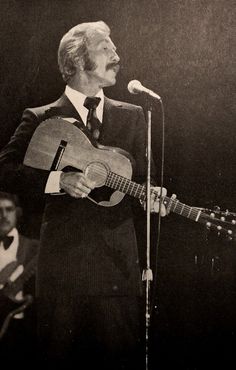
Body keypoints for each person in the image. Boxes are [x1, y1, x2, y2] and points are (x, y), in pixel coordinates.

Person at [0, 21, 167, 368]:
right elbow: (5, 170)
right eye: (105, 47)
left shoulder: (134, 116)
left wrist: (150, 196)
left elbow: (139, 186)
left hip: (117, 271)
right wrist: (56, 181)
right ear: (76, 60)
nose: (116, 55)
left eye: (114, 48)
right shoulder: (42, 118)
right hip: (63, 274)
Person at [0, 191, 39, 360]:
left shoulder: (34, 248)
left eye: (9, 209)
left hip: (22, 329)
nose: (3, 215)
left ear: (17, 213)